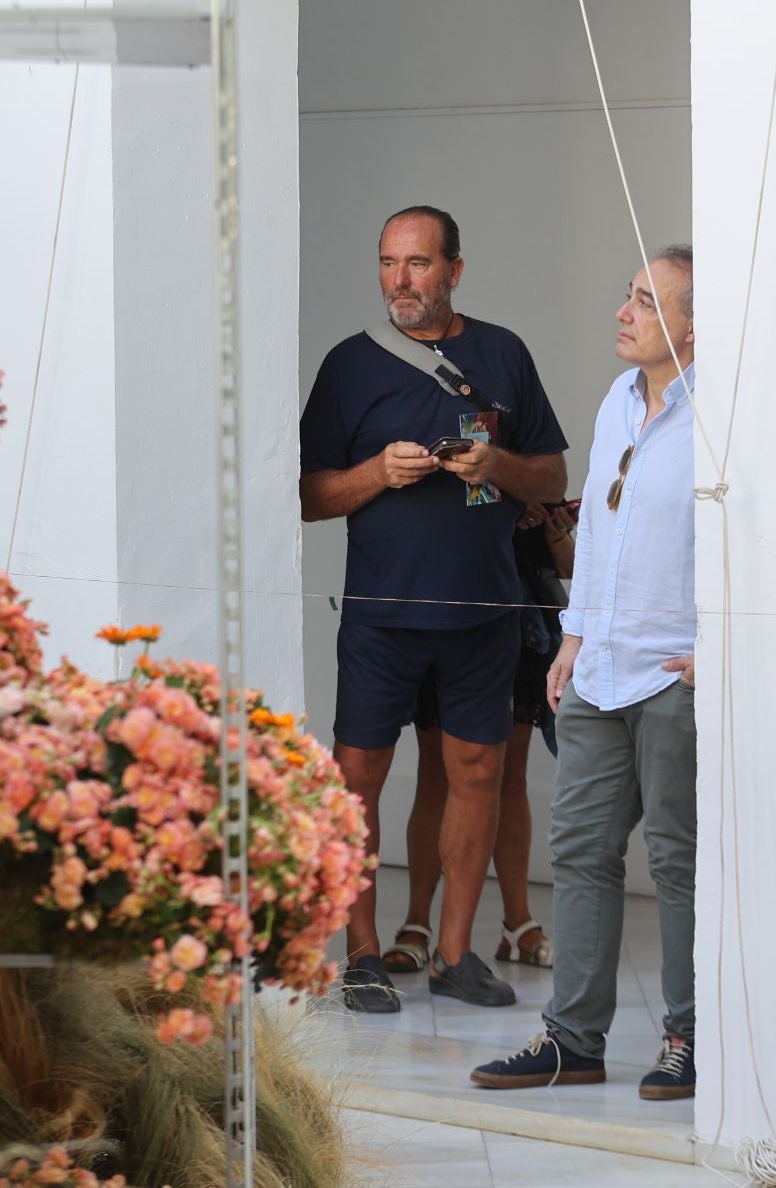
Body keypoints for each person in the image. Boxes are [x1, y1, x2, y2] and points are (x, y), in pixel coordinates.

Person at [300, 206, 569, 1011]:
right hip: (382, 614)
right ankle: (363, 955)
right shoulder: (350, 366)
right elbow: (309, 496)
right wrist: (377, 473)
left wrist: (499, 463)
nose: (400, 281)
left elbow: (551, 477)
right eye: (388, 263)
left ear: (454, 269)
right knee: (358, 781)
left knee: (478, 773)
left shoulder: (503, 353)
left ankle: (455, 956)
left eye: (417, 264)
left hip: (484, 611)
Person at [471, 245, 700, 1101]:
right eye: (628, 295)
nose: (624, 311)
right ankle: (573, 1040)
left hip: (674, 674)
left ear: (690, 326)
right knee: (581, 850)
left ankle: (690, 1038)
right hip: (598, 668)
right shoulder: (614, 401)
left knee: (677, 861)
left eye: (646, 300)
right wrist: (570, 640)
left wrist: (716, 651)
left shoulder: (718, 414)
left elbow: (748, 538)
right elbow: (596, 535)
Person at [382, 501, 577, 980]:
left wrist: (546, 518)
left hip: (519, 613)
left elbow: (568, 563)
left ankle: (518, 926)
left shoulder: (527, 445)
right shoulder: (455, 443)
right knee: (437, 775)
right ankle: (417, 924)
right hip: (448, 606)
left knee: (509, 777)